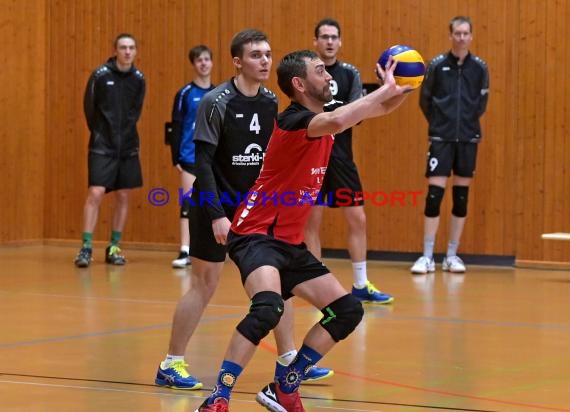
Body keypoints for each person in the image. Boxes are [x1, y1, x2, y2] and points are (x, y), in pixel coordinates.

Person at [195, 50, 411, 412]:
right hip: (255, 236)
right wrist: (383, 88)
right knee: (267, 308)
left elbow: (379, 110)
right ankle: (219, 396)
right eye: (320, 70)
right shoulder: (295, 120)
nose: (329, 76)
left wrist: (403, 87)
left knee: (347, 311)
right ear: (299, 83)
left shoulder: (325, 117)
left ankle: (285, 384)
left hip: (290, 244)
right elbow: (341, 117)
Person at [155, 29, 332, 391]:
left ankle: (288, 361)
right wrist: (218, 214)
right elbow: (202, 163)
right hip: (213, 206)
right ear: (237, 61)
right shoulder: (216, 101)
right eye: (255, 55)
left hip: (254, 211)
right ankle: (171, 363)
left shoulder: (269, 101)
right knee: (205, 284)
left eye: (267, 54)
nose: (264, 61)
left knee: (277, 286)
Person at [304, 18, 393, 304]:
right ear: (315, 41)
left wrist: (392, 90)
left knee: (357, 218)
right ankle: (316, 285)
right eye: (324, 37)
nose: (329, 41)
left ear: (340, 42)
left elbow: (359, 112)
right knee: (311, 223)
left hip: (341, 158)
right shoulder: (306, 73)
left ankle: (360, 284)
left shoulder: (350, 74)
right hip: (311, 158)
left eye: (334, 37)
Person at [410, 15, 489, 274]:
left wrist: (465, 123)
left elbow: (480, 104)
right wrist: (440, 124)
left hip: (467, 139)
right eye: (458, 33)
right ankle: (427, 256)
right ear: (451, 35)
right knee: (434, 196)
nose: (462, 37)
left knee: (461, 198)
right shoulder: (436, 65)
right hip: (441, 139)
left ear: (471, 36)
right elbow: (425, 100)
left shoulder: (480, 68)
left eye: (466, 33)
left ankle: (452, 255)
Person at [74, 33, 145, 268]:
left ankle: (114, 246)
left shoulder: (138, 79)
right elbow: (90, 109)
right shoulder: (100, 76)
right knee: (95, 192)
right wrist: (101, 135)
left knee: (123, 195)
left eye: (131, 48)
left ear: (135, 52)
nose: (127, 51)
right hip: (102, 145)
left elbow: (136, 111)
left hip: (128, 147)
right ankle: (86, 247)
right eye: (123, 47)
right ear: (115, 50)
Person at [168, 45, 215, 268]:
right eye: (199, 60)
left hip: (213, 159)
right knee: (187, 203)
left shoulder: (220, 94)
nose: (203, 63)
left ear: (212, 63)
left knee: (215, 204)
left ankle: (216, 248)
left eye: (207, 59)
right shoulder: (185, 93)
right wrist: (175, 157)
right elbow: (176, 126)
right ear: (194, 65)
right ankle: (185, 250)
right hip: (189, 157)